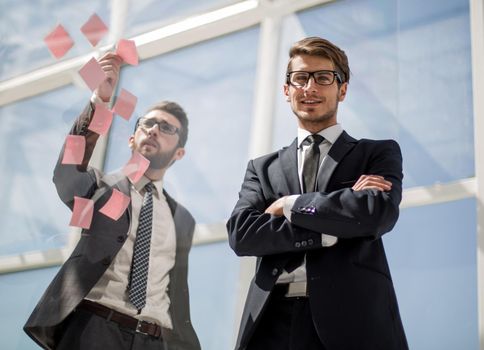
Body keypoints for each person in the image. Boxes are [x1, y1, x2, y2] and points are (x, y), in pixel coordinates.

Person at [227, 37, 408, 350]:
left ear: (343, 89)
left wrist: (290, 204)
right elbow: (243, 234)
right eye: (300, 78)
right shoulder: (262, 168)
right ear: (287, 90)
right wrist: (328, 230)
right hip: (270, 323)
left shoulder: (376, 153)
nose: (310, 88)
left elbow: (375, 213)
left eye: (323, 77)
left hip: (353, 321)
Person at [24, 52, 200, 350]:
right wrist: (100, 101)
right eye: (148, 124)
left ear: (179, 153)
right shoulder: (101, 187)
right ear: (132, 139)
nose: (154, 130)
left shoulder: (182, 219)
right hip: (93, 330)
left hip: (155, 339)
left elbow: (176, 291)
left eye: (167, 128)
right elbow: (67, 171)